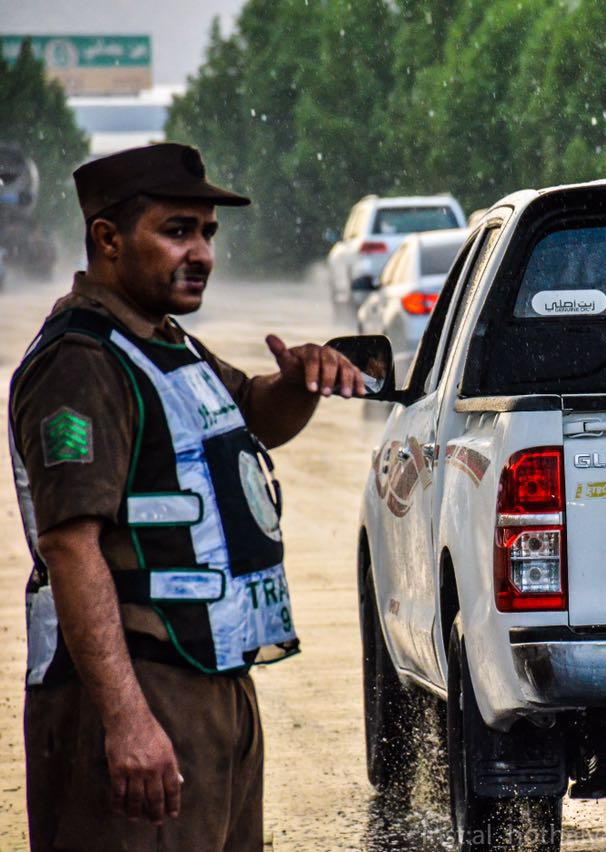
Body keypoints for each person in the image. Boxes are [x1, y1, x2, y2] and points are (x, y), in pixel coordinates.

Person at [8, 142, 364, 851]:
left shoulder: (169, 345)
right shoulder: (80, 365)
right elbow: (70, 547)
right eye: (177, 231)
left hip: (211, 683)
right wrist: (127, 720)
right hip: (139, 689)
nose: (201, 251)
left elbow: (258, 414)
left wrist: (300, 380)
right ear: (108, 239)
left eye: (207, 234)